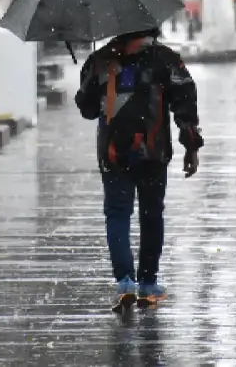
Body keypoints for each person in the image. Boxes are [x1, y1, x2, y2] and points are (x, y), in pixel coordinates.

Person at [75, 27, 204, 310]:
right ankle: (147, 284)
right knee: (151, 213)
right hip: (153, 151)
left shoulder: (100, 60)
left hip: (113, 152)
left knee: (117, 213)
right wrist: (191, 145)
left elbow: (86, 109)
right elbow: (185, 102)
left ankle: (124, 282)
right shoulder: (165, 59)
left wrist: (96, 80)